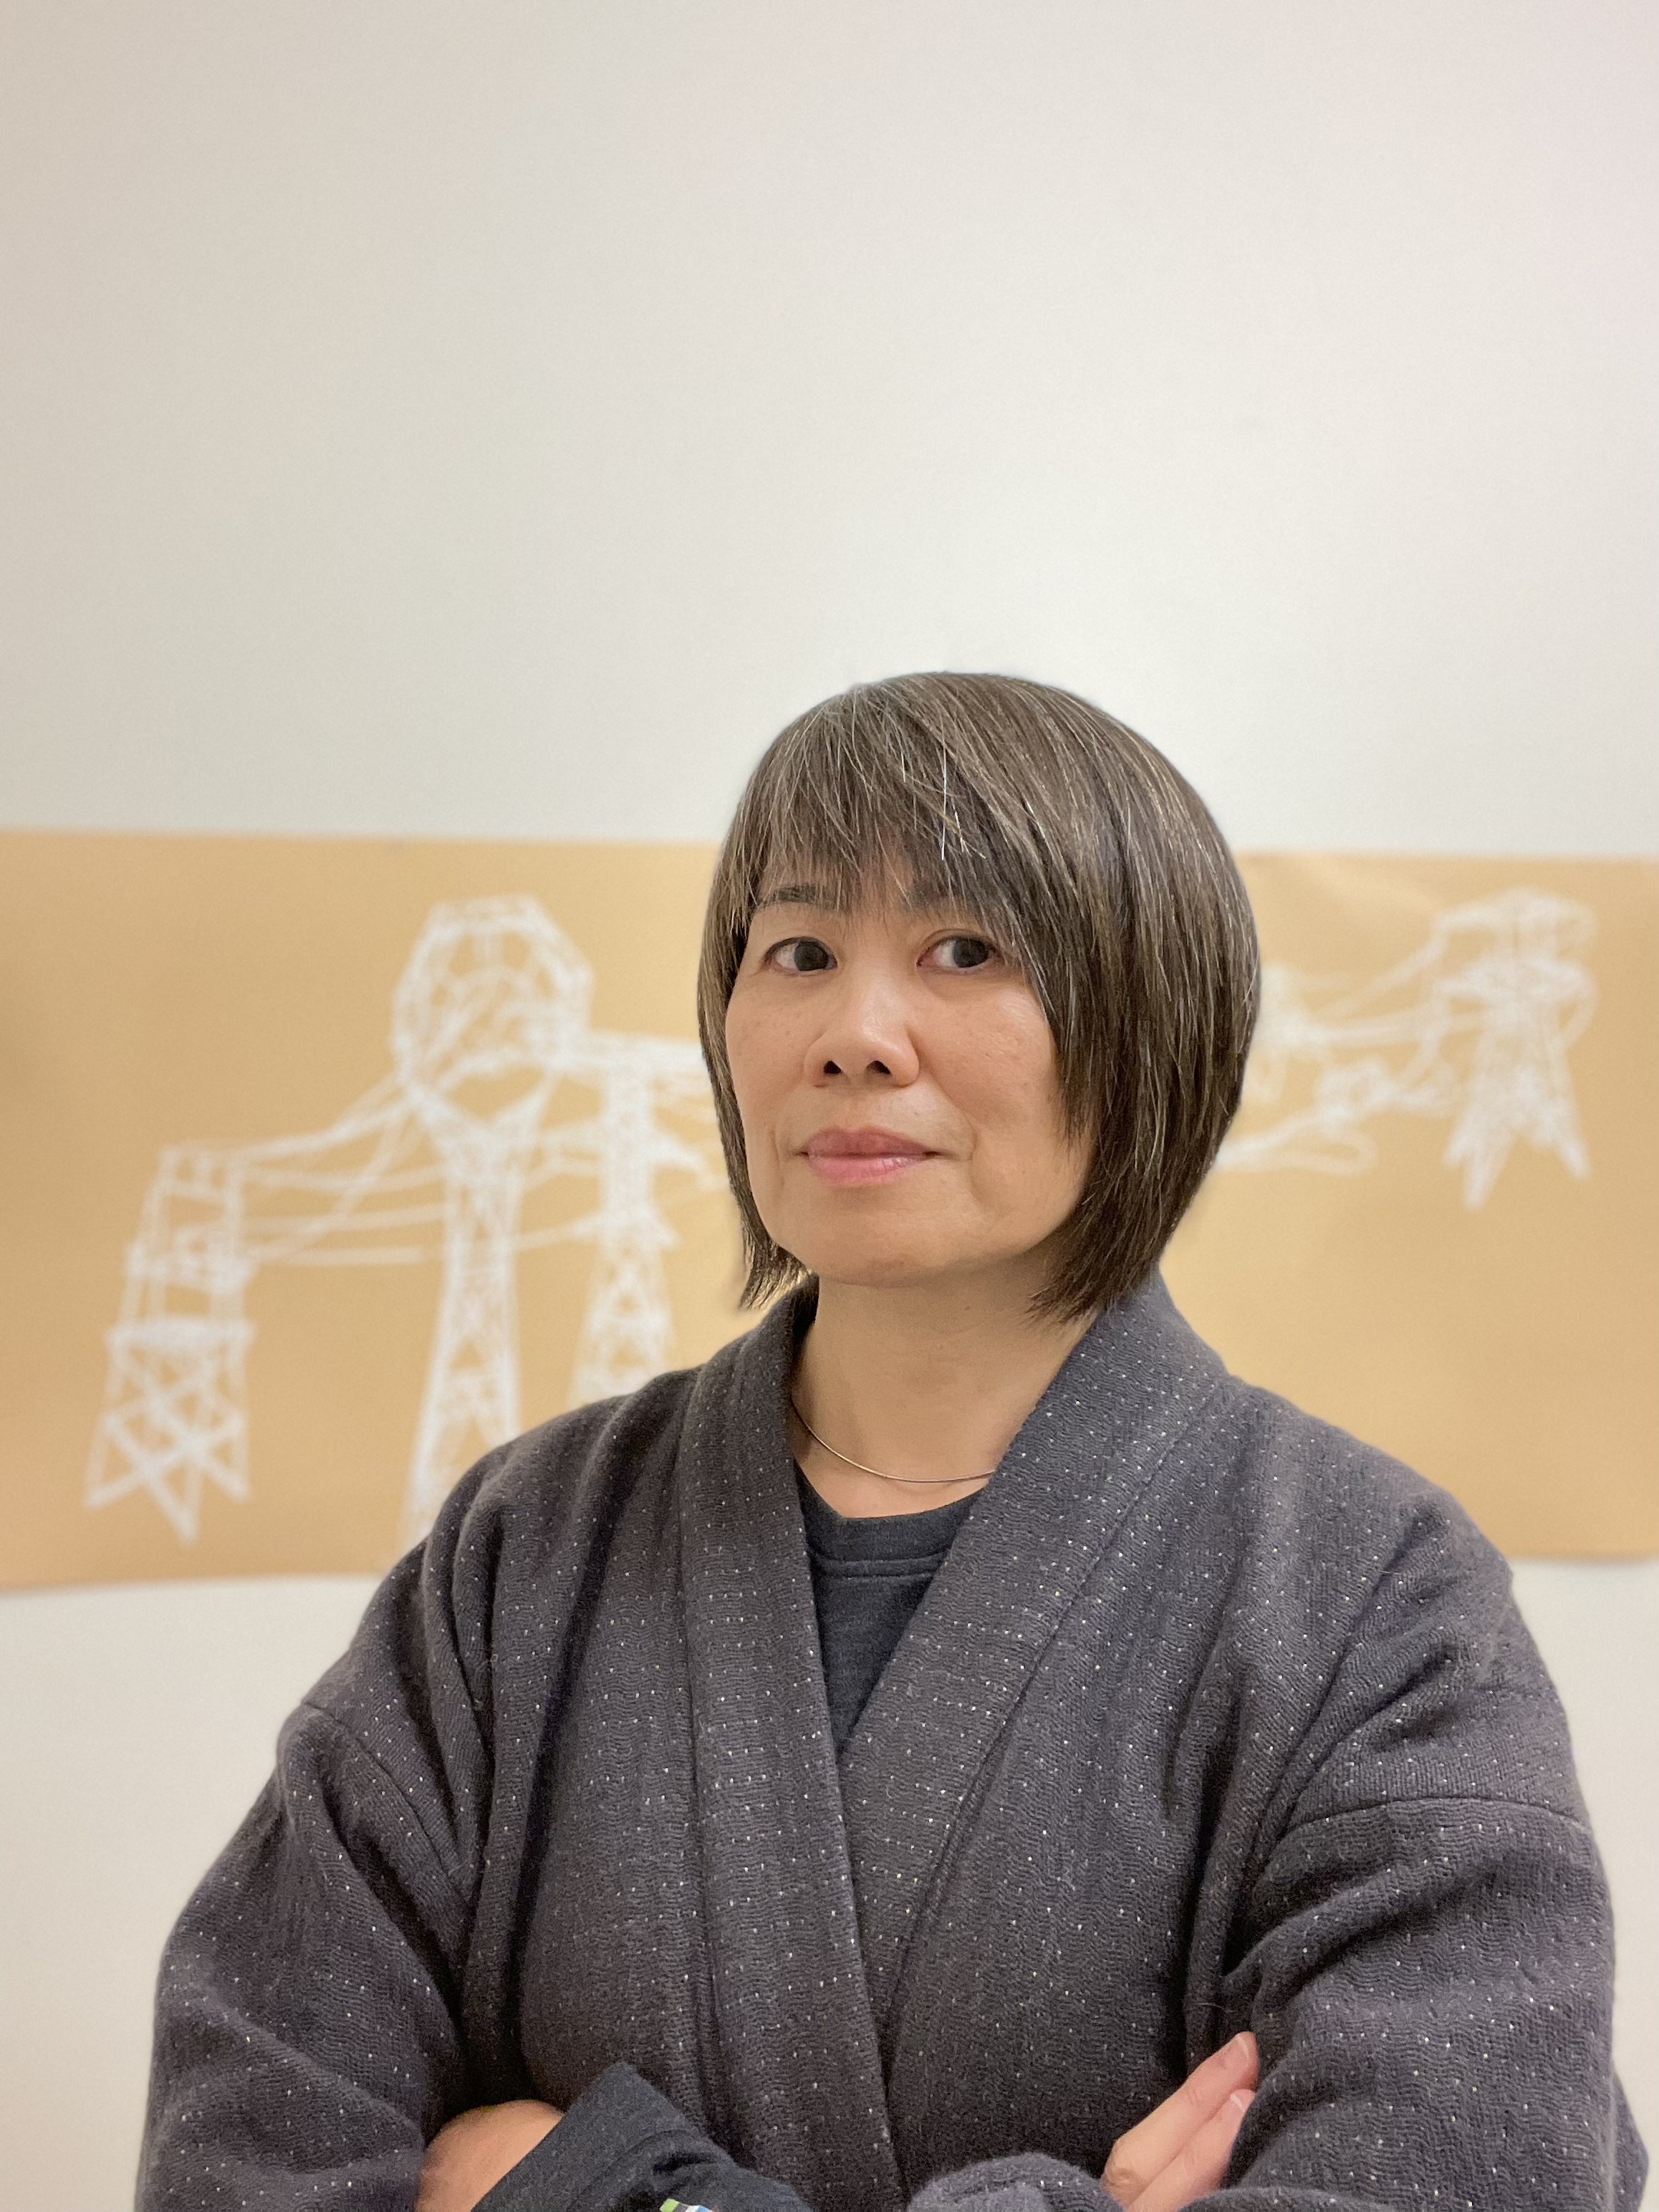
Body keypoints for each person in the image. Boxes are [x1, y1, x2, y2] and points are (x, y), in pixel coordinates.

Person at [138, 673, 1646, 2212]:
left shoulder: (1365, 1588)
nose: (856, 1031)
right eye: (798, 949)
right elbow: (249, 2124)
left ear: (1152, 1019)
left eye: (965, 949)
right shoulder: (526, 1545)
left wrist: (597, 2187)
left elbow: (1471, 2166)